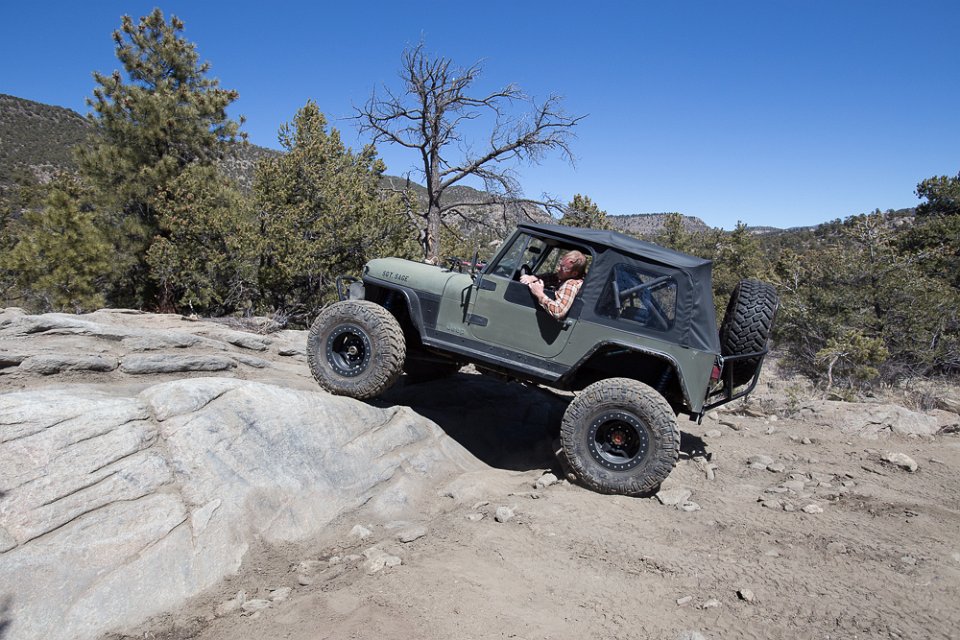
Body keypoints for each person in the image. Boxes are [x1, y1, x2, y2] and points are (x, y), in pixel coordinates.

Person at [519, 250, 587, 321]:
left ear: (574, 274)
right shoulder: (566, 276)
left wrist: (539, 294)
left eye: (563, 269)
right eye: (560, 265)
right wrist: (533, 277)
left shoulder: (571, 284)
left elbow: (558, 312)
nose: (558, 269)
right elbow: (552, 277)